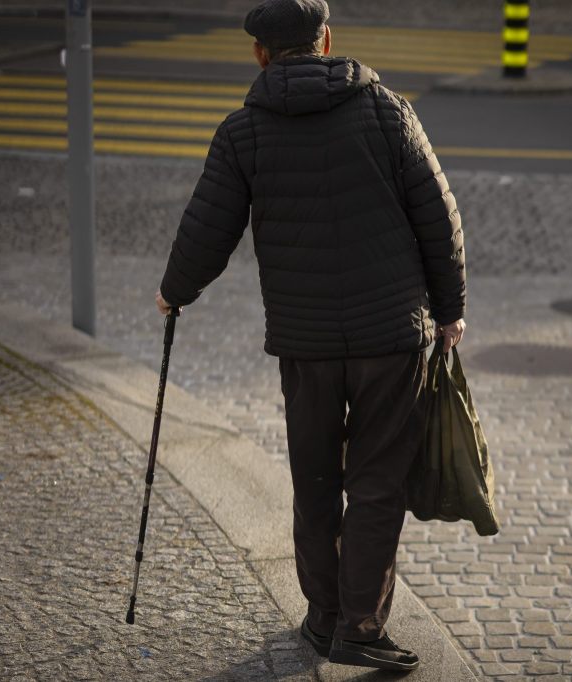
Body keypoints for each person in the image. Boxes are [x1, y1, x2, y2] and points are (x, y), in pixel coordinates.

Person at [153, 0, 466, 671]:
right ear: (326, 40)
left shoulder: (244, 133)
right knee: (378, 482)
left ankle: (324, 618)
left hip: (308, 343)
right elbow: (439, 216)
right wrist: (451, 309)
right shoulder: (387, 111)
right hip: (392, 335)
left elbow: (208, 227)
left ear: (260, 54)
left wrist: (176, 291)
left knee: (316, 478)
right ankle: (360, 623)